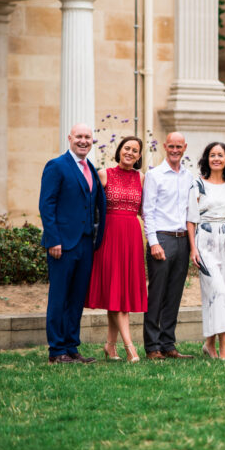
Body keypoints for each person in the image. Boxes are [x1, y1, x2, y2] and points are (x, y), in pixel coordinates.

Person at [39, 123, 107, 364]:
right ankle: (57, 350)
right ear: (70, 138)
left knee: (77, 298)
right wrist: (53, 239)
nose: (83, 141)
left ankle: (71, 346)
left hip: (86, 244)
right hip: (62, 245)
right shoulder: (56, 166)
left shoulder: (91, 168)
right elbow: (47, 205)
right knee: (59, 297)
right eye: (79, 136)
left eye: (87, 137)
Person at [85, 136, 147, 363]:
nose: (130, 152)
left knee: (120, 292)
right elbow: (90, 207)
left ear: (139, 156)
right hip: (109, 236)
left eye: (135, 150)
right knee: (116, 290)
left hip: (132, 237)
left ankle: (110, 346)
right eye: (126, 148)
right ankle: (130, 347)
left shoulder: (141, 178)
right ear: (119, 150)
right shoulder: (104, 174)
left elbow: (146, 210)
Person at [142, 132, 195, 360]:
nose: (175, 150)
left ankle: (168, 344)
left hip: (182, 240)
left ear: (184, 148)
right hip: (162, 238)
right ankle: (152, 346)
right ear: (165, 146)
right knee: (157, 294)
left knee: (174, 294)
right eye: (171, 146)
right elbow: (148, 211)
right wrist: (154, 242)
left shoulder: (189, 176)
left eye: (178, 147)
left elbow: (191, 212)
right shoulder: (154, 175)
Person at [187, 142, 225, 361]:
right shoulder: (197, 184)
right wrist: (193, 249)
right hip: (205, 241)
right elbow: (191, 219)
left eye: (220, 155)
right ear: (207, 159)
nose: (216, 158)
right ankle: (223, 345)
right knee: (217, 289)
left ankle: (209, 344)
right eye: (212, 155)